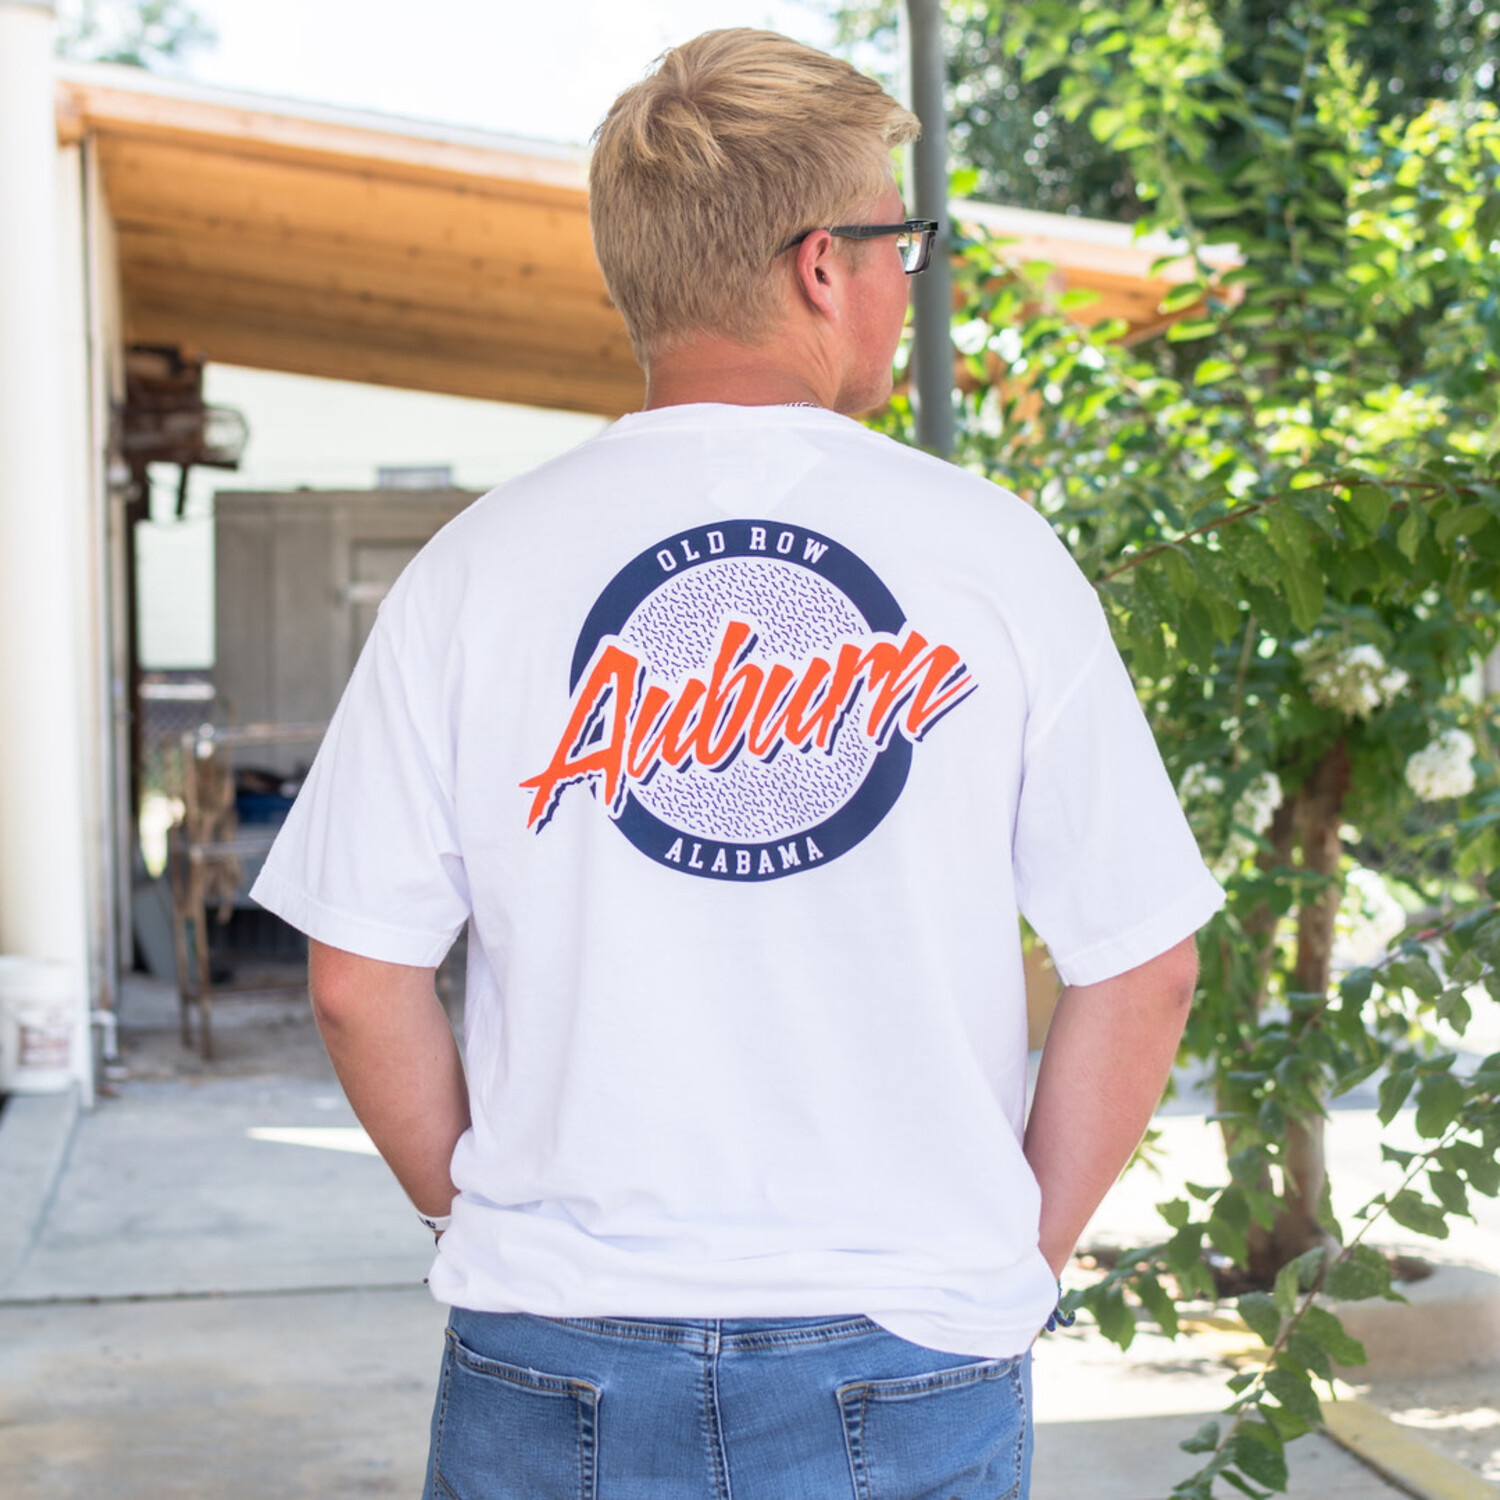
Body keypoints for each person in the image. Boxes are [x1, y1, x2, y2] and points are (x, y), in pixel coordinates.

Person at [252, 27, 1224, 1500]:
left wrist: (491, 1231)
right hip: (908, 1345)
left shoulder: (475, 569)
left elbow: (355, 977)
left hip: (553, 1347)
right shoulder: (993, 557)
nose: (909, 279)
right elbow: (1144, 964)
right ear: (824, 265)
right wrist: (1004, 1262)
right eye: (902, 241)